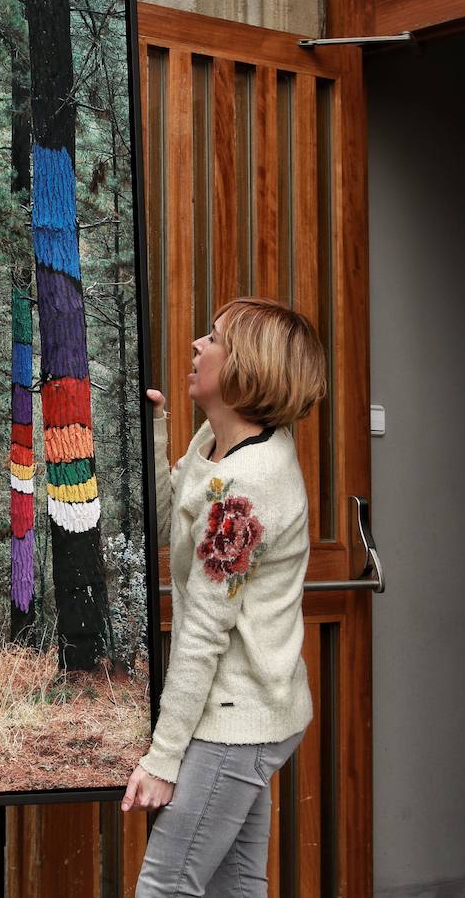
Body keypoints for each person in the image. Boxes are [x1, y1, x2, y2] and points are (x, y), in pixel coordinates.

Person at [123, 296, 326, 897]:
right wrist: (158, 430)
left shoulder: (247, 489)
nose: (196, 346)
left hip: (235, 719)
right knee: (236, 888)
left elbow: (205, 632)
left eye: (212, 339)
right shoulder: (218, 441)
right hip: (247, 712)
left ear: (246, 369)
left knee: (164, 888)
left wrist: (163, 759)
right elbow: (166, 523)